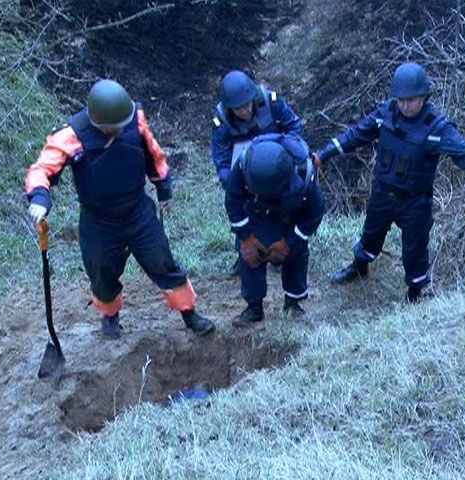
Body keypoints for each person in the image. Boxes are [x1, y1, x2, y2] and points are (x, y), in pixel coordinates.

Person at [312, 62, 465, 303]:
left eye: (411, 100)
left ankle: (414, 291)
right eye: (401, 100)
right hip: (382, 192)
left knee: (415, 247)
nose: (405, 105)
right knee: (370, 234)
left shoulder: (437, 127)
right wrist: (324, 154)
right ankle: (359, 267)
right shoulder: (386, 114)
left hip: (415, 200)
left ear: (423, 96)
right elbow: (355, 134)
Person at [25, 79, 215, 338]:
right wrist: (39, 197)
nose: (117, 132)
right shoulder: (72, 135)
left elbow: (153, 153)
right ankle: (110, 316)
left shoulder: (134, 119)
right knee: (102, 272)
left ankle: (189, 314)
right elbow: (42, 169)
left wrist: (163, 188)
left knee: (163, 262)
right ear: (97, 122)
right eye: (111, 129)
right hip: (99, 220)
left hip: (138, 211)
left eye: (120, 127)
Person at [225, 133, 325, 326]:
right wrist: (246, 238)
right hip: (257, 213)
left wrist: (289, 243)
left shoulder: (304, 175)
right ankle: (254, 307)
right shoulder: (244, 165)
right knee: (250, 257)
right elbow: (233, 200)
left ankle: (293, 303)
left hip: (291, 216)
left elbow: (315, 213)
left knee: (296, 256)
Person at [212, 70, 304, 276]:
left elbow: (294, 127)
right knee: (244, 211)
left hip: (275, 167)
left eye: (246, 105)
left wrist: (288, 156)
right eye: (237, 109)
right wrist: (230, 182)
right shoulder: (222, 121)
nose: (244, 112)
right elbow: (221, 156)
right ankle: (243, 255)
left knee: (283, 209)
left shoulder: (271, 103)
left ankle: (280, 252)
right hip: (244, 173)